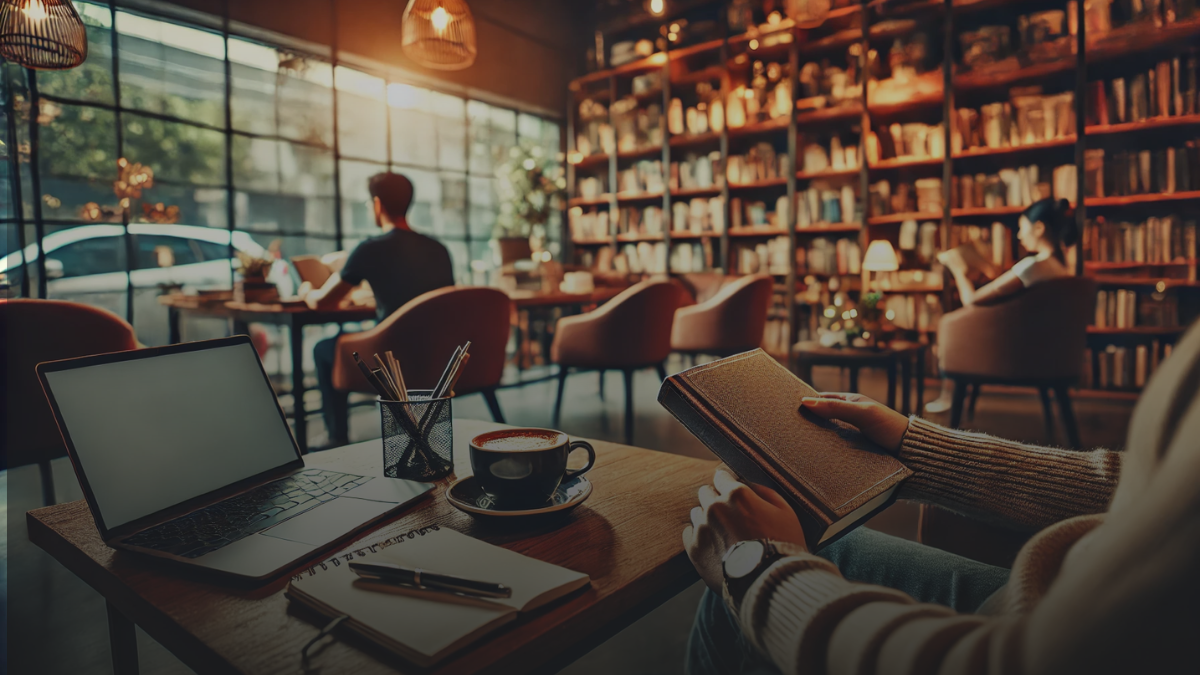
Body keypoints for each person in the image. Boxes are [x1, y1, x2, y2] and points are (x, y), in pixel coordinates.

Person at [682, 319, 1200, 675]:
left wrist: (763, 573)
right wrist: (914, 446)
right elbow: (1136, 483)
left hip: (1031, 632)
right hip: (1054, 591)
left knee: (738, 582)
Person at [307, 172, 454, 446]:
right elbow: (435, 302)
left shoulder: (371, 248)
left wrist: (306, 290)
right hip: (436, 356)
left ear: (377, 204)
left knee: (324, 349)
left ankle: (336, 438)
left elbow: (324, 302)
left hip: (390, 358)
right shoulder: (438, 249)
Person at [925, 197, 1076, 412]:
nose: (1019, 235)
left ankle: (948, 394)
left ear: (1039, 228)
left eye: (1023, 228)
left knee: (949, 322)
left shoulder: (1033, 266)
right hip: (1045, 350)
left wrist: (958, 270)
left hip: (1014, 352)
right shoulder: (1060, 266)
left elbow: (971, 300)